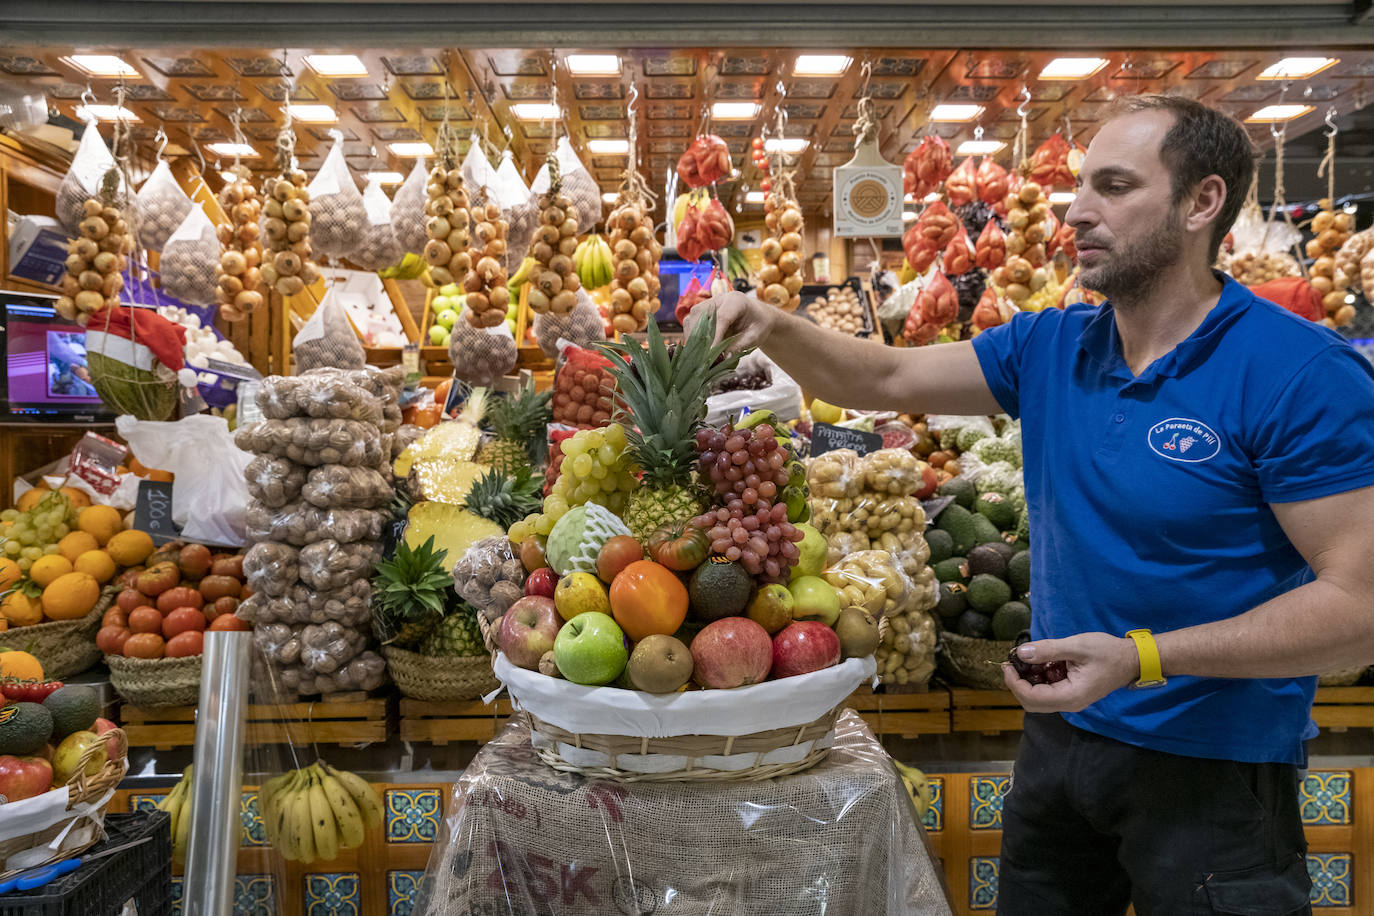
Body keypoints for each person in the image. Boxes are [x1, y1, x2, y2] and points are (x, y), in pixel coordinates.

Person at [685, 94, 1374, 915]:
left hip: (1212, 771)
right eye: (1081, 187)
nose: (1077, 211)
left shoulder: (1298, 372)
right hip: (1058, 746)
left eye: (1115, 187)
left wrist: (1141, 658)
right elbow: (885, 378)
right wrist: (771, 322)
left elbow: (1358, 607)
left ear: (1203, 202)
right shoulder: (1053, 345)